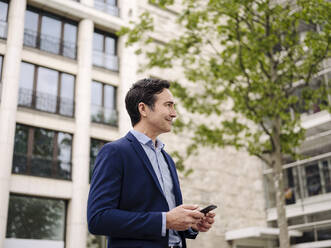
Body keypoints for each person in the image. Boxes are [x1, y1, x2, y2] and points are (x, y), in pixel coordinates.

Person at [87, 78, 215, 248]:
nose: (174, 113)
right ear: (143, 108)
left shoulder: (167, 159)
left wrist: (189, 224)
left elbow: (167, 218)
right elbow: (98, 219)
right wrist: (166, 221)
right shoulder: (115, 152)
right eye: (168, 105)